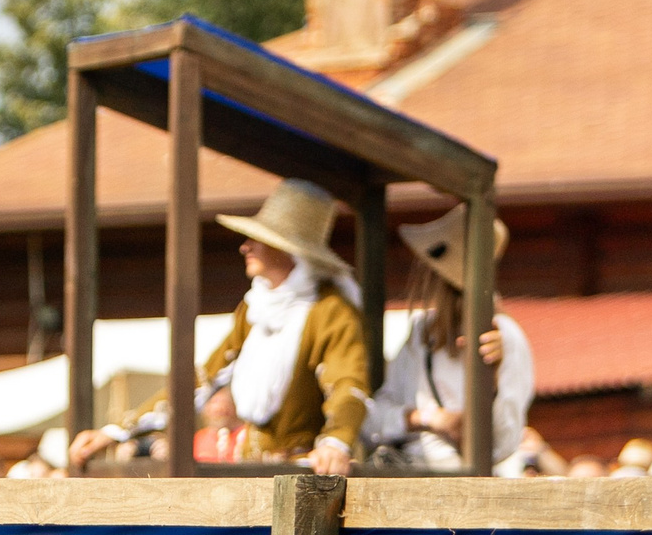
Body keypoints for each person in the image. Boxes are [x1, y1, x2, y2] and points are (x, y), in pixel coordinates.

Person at [70, 179, 371, 475]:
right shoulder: (255, 307)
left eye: (259, 239)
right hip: (252, 475)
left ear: (289, 249)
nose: (245, 247)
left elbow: (348, 385)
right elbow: (203, 380)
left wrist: (336, 443)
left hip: (302, 478)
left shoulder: (331, 311)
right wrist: (117, 432)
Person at [363, 205, 531, 469]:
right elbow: (371, 421)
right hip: (407, 477)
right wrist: (428, 418)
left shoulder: (505, 336)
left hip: (462, 489)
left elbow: (503, 444)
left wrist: (492, 380)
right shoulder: (421, 332)